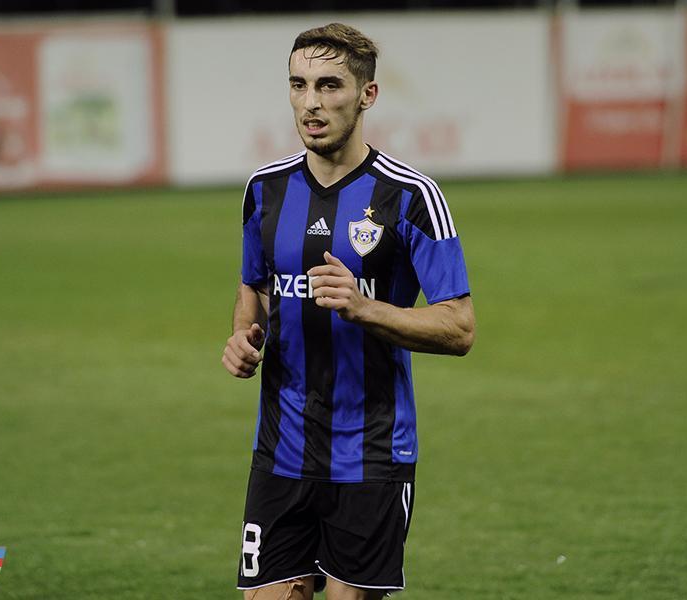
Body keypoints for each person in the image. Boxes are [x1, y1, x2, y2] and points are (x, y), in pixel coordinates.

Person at [221, 23, 475, 600]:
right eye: (299, 85)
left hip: (372, 454)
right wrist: (243, 336)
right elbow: (254, 285)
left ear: (367, 95)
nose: (310, 102)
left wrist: (366, 309)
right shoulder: (264, 190)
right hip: (280, 450)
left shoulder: (411, 197)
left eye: (329, 85)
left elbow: (460, 327)